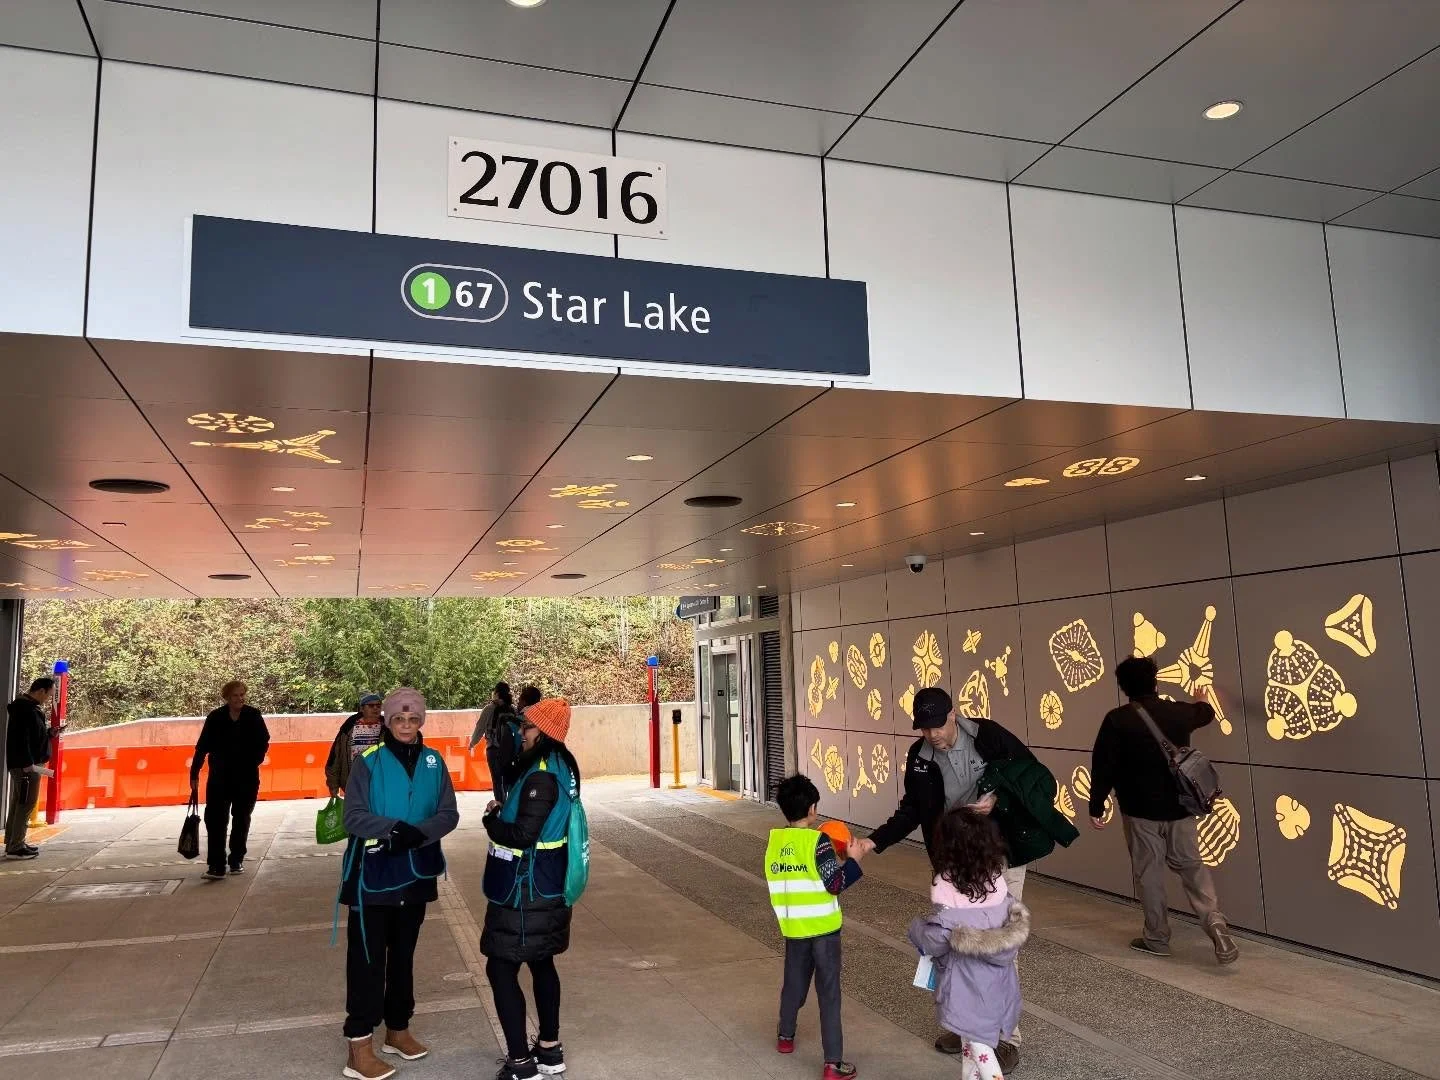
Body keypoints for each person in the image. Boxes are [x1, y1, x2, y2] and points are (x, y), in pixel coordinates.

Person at [850, 686, 1039, 1068]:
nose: (931, 734)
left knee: (999, 945)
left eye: (937, 724)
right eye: (924, 727)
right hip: (952, 863)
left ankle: (1005, 1037)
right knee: (955, 945)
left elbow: (1029, 776)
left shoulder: (988, 736)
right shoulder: (919, 757)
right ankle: (965, 1025)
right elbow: (911, 809)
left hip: (1000, 854)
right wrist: (874, 842)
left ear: (953, 714)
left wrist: (995, 800)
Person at [338, 687, 458, 1080]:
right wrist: (393, 829)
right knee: (367, 962)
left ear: (421, 721)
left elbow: (448, 814)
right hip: (372, 879)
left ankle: (398, 1029)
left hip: (415, 876)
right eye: (398, 719)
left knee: (403, 956)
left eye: (413, 719)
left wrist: (417, 835)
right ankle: (359, 1047)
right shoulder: (367, 762)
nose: (406, 726)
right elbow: (353, 817)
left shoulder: (433, 762)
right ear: (387, 722)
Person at [1089, 656, 1238, 965]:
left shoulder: (1117, 720)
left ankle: (1156, 938)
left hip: (1140, 811)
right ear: (1155, 683)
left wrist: (1096, 804)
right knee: (1192, 867)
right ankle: (1214, 922)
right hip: (1180, 809)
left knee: (1149, 874)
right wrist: (1202, 699)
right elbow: (1205, 713)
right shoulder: (1178, 713)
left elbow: (1103, 766)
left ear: (1122, 686)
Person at [481, 697, 581, 1080]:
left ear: (544, 733)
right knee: (541, 962)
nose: (521, 733)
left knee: (500, 968)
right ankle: (550, 1051)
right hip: (549, 881)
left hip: (527, 887)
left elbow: (523, 835)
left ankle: (521, 1063)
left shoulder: (541, 774)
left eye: (527, 727)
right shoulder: (562, 767)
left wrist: (491, 819)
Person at [907, 806, 1030, 1080]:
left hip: (965, 986)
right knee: (970, 1048)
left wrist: (917, 930)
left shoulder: (945, 884)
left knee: (981, 1050)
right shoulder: (997, 881)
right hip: (998, 982)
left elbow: (939, 937)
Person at [769, 774, 865, 1080]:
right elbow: (834, 883)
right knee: (828, 994)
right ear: (812, 809)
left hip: (794, 929)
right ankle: (832, 1064)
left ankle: (786, 1038)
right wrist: (853, 860)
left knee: (793, 986)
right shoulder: (818, 841)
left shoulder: (775, 842)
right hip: (823, 930)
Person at [190, 680, 270, 880]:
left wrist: (254, 761)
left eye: (242, 694)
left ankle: (236, 860)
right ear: (227, 697)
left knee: (241, 818)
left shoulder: (253, 716)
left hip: (247, 778)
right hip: (220, 778)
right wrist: (194, 773)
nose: (240, 698)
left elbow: (263, 741)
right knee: (216, 820)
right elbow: (202, 747)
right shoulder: (215, 718)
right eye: (236, 695)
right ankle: (216, 865)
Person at [4, 677, 56, 860]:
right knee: (26, 804)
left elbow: (32, 735)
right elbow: (21, 739)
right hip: (27, 766)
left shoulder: (25, 708)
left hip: (25, 764)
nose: (48, 699)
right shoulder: (25, 709)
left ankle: (13, 841)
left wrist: (49, 733)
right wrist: (27, 763)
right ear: (41, 691)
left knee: (19, 803)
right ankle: (16, 846)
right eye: (48, 695)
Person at [326, 694, 383, 797]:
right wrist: (333, 785)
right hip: (354, 783)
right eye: (371, 705)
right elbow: (335, 757)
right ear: (362, 708)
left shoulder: (388, 728)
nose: (375, 708)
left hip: (380, 785)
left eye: (378, 706)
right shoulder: (348, 727)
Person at [469, 682, 518, 802]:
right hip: (510, 750)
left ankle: (501, 805)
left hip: (494, 749)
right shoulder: (513, 709)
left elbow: (480, 728)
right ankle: (508, 806)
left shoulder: (489, 709)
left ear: (496, 693)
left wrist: (472, 743)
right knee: (508, 779)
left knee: (497, 780)